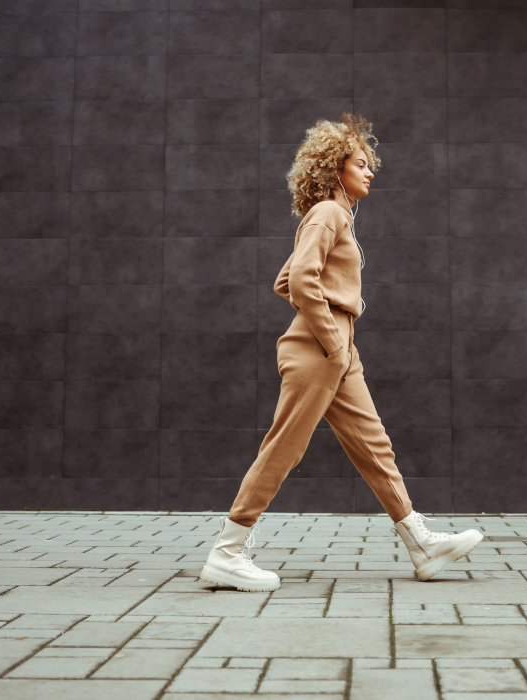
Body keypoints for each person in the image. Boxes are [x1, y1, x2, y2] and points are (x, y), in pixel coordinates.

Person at [199, 113, 482, 592]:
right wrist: (333, 341)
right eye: (360, 163)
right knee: (284, 449)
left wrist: (340, 342)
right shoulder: (328, 213)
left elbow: (285, 279)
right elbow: (302, 280)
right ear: (335, 169)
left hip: (336, 349)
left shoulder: (336, 217)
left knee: (374, 445)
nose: (370, 171)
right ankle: (227, 553)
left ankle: (421, 545)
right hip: (319, 349)